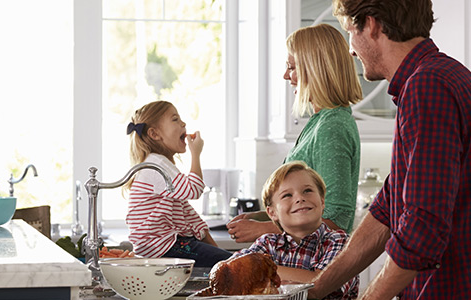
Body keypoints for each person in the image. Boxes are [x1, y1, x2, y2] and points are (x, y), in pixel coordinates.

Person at [308, 0, 471, 299]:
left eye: (351, 32)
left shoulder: (427, 87)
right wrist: (316, 290)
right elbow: (389, 207)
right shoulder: (440, 76)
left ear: (372, 24)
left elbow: (422, 230)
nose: (351, 49)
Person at [227, 23, 363, 242]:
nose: (285, 75)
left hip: (315, 264)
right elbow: (311, 208)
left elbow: (336, 219)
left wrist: (262, 230)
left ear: (315, 69)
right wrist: (262, 216)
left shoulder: (332, 126)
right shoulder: (320, 121)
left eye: (291, 67)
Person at [125, 100, 232, 268]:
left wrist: (219, 253)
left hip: (168, 245)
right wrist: (195, 154)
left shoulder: (163, 166)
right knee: (234, 264)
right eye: (175, 119)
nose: (183, 123)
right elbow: (194, 190)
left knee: (233, 263)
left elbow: (189, 215)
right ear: (154, 134)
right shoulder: (156, 165)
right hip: (162, 247)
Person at [232, 161, 358, 300]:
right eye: (287, 195)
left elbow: (322, 284)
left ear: (322, 202)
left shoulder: (340, 241)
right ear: (272, 212)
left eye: (307, 191)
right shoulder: (268, 243)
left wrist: (261, 270)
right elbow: (234, 269)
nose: (300, 198)